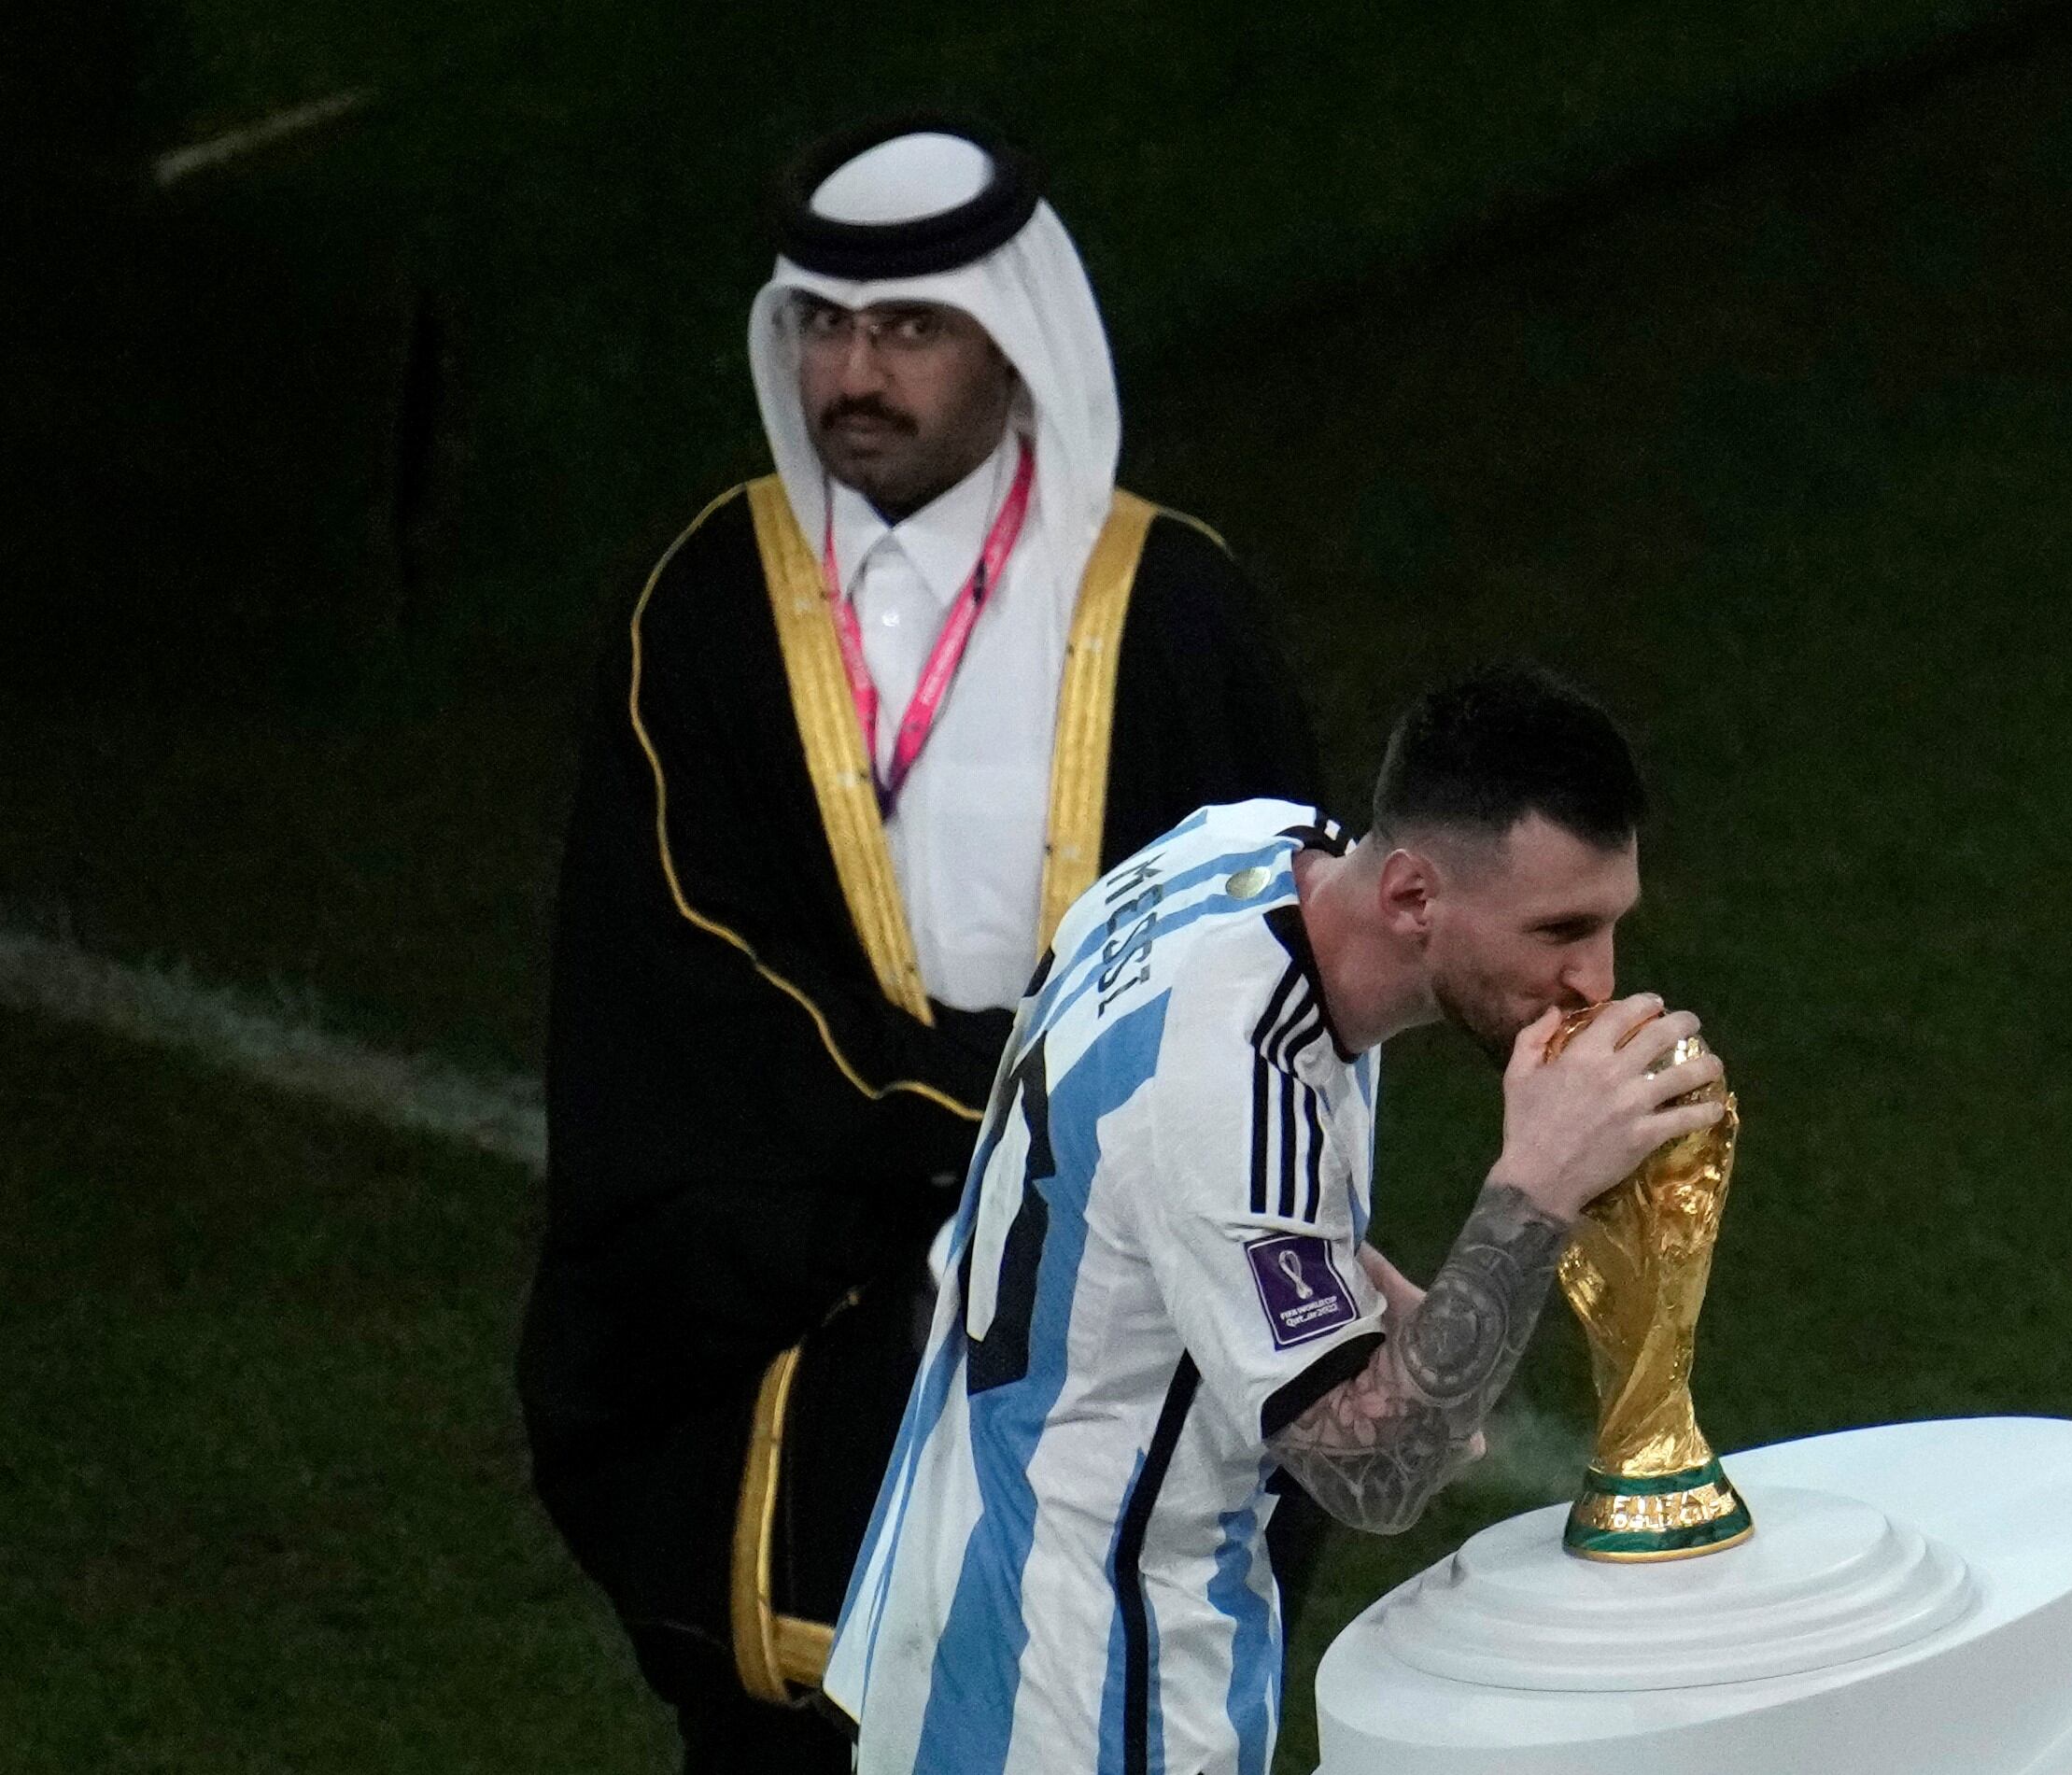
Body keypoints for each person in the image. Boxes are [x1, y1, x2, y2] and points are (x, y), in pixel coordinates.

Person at [515, 119, 1322, 1771]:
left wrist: (1064, 1164)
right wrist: (970, 1133)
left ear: (1011, 342)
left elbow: (1267, 972)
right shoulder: (708, 602)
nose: (853, 374)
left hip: (1101, 1294)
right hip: (792, 1290)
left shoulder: (1172, 612)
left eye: (907, 330)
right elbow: (676, 963)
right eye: (821, 325)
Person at [825, 664, 1726, 1775]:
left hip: (963, 1560)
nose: (1594, 976)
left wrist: (1370, 1293)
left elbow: (1164, 1201)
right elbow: (1377, 1472)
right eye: (1559, 929)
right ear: (1410, 897)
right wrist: (1535, 1184)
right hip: (1074, 1686)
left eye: (1609, 923)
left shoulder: (1243, 847)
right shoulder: (1225, 1079)